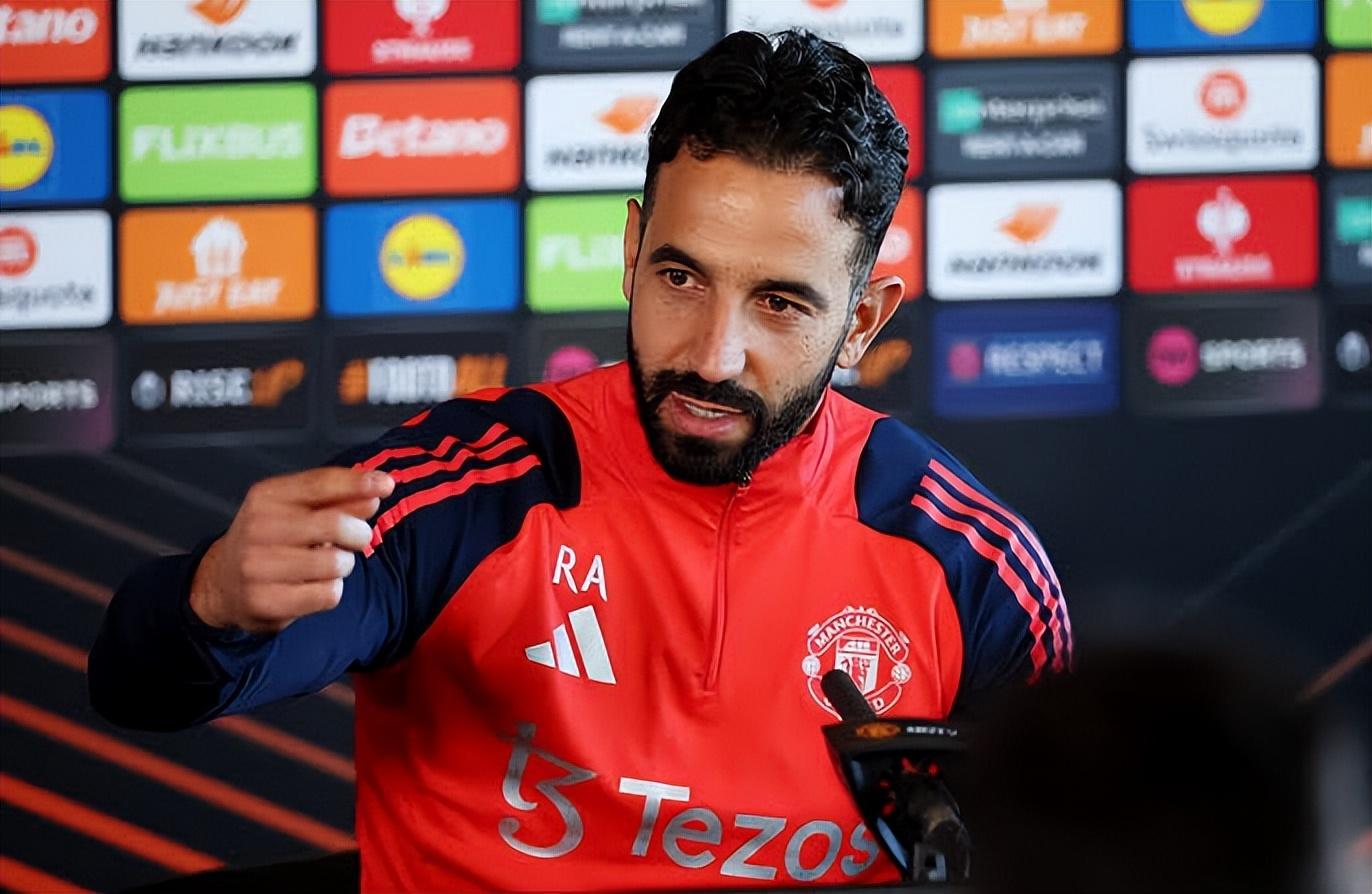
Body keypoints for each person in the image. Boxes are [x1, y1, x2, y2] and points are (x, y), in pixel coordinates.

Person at [89, 30, 1071, 891]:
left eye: (778, 303)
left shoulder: (971, 567)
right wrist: (214, 603)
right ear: (632, 249)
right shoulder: (463, 489)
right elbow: (144, 688)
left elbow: (1075, 852)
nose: (712, 355)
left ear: (860, 321)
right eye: (681, 276)